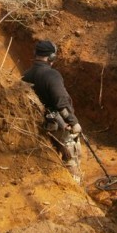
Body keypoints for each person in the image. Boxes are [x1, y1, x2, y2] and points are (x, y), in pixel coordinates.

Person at [22, 40, 82, 183]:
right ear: (52, 57)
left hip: (40, 125)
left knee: (53, 155)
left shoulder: (26, 75)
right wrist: (73, 122)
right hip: (59, 125)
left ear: (35, 54)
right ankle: (75, 188)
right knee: (71, 156)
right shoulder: (52, 75)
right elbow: (61, 102)